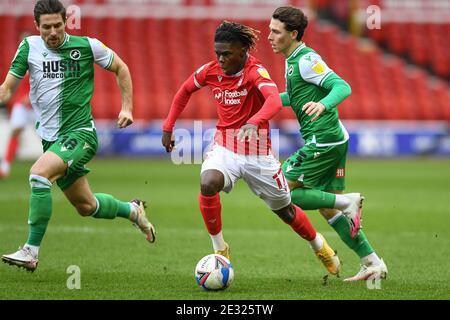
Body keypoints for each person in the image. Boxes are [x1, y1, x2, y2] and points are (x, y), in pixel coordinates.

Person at [162, 21, 341, 276]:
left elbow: (272, 101)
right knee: (208, 182)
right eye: (218, 53)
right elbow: (184, 90)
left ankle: (319, 245)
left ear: (244, 50)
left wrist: (254, 121)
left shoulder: (256, 71)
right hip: (225, 145)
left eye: (227, 54)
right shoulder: (210, 70)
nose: (221, 59)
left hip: (258, 152)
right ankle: (220, 249)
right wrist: (168, 127)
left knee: (286, 211)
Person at [0, 0, 155, 272]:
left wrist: (127, 107)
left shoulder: (87, 46)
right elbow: (6, 89)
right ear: (37, 27)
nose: (52, 32)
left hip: (80, 133)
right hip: (51, 139)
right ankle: (133, 211)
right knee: (86, 206)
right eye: (46, 27)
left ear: (66, 22)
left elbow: (122, 68)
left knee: (38, 173)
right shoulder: (29, 47)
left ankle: (30, 251)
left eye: (57, 25)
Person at [268, 6, 387, 281]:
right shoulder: (293, 59)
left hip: (323, 141)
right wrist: (267, 100)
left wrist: (322, 105)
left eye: (276, 31)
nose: (269, 36)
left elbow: (342, 86)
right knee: (326, 206)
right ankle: (372, 263)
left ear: (293, 34)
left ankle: (348, 201)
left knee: (282, 192)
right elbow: (296, 97)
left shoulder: (307, 59)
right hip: (334, 139)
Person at [0, 74, 34, 179]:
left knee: (48, 135)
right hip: (21, 105)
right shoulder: (21, 66)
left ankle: (58, 165)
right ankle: (4, 168)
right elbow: (12, 87)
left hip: (39, 107)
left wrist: (30, 97)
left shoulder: (44, 66)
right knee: (15, 131)